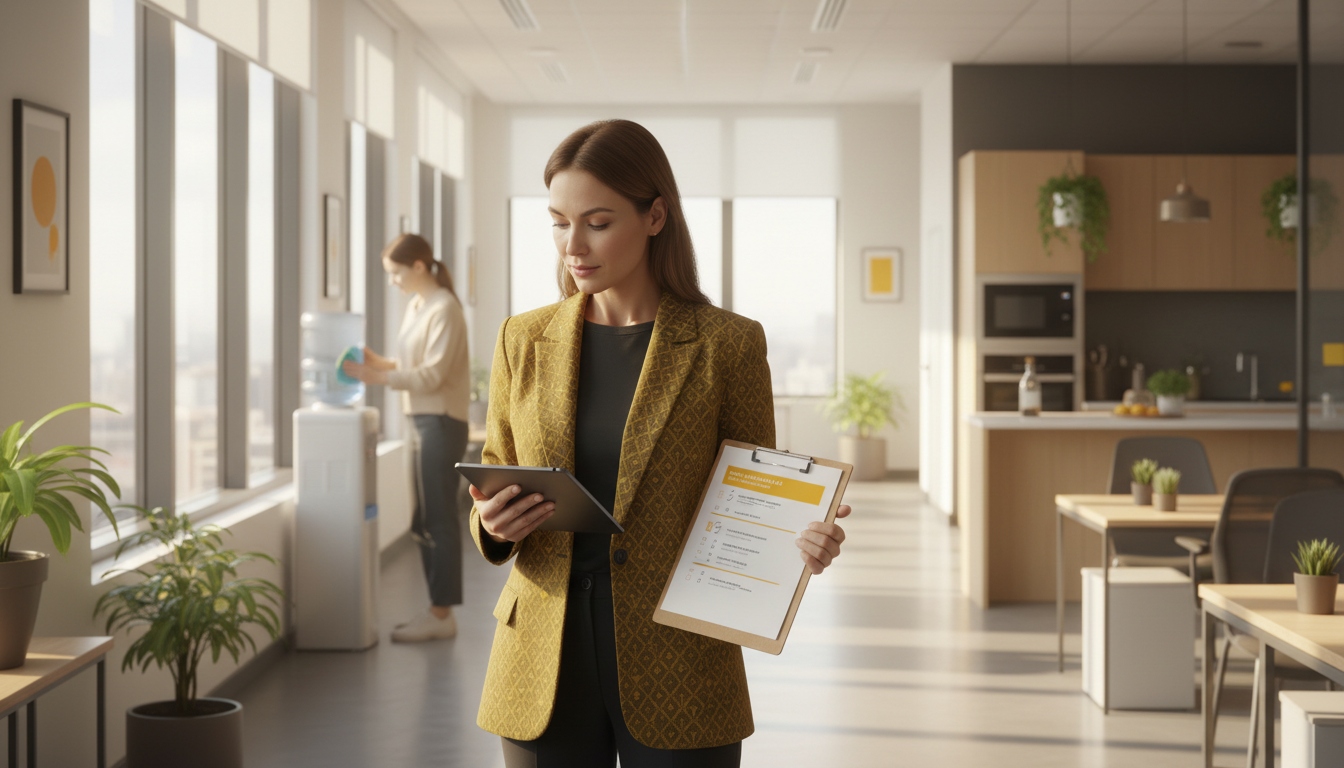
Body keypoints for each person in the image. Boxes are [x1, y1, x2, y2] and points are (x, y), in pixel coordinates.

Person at [467, 120, 851, 768]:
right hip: (541, 655)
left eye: (597, 221)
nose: (573, 244)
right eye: (559, 222)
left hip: (681, 653)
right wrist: (493, 523)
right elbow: (498, 471)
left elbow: (754, 494)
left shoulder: (727, 344)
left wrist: (800, 540)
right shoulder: (521, 339)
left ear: (655, 217)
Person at [343, 233, 471, 642]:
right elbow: (415, 363)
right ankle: (437, 610)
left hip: (441, 421)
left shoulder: (445, 308)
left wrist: (377, 377)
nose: (393, 281)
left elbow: (433, 374)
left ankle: (441, 614)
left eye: (396, 273)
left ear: (418, 266)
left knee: (439, 518)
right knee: (422, 519)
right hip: (419, 419)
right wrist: (380, 362)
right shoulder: (419, 305)